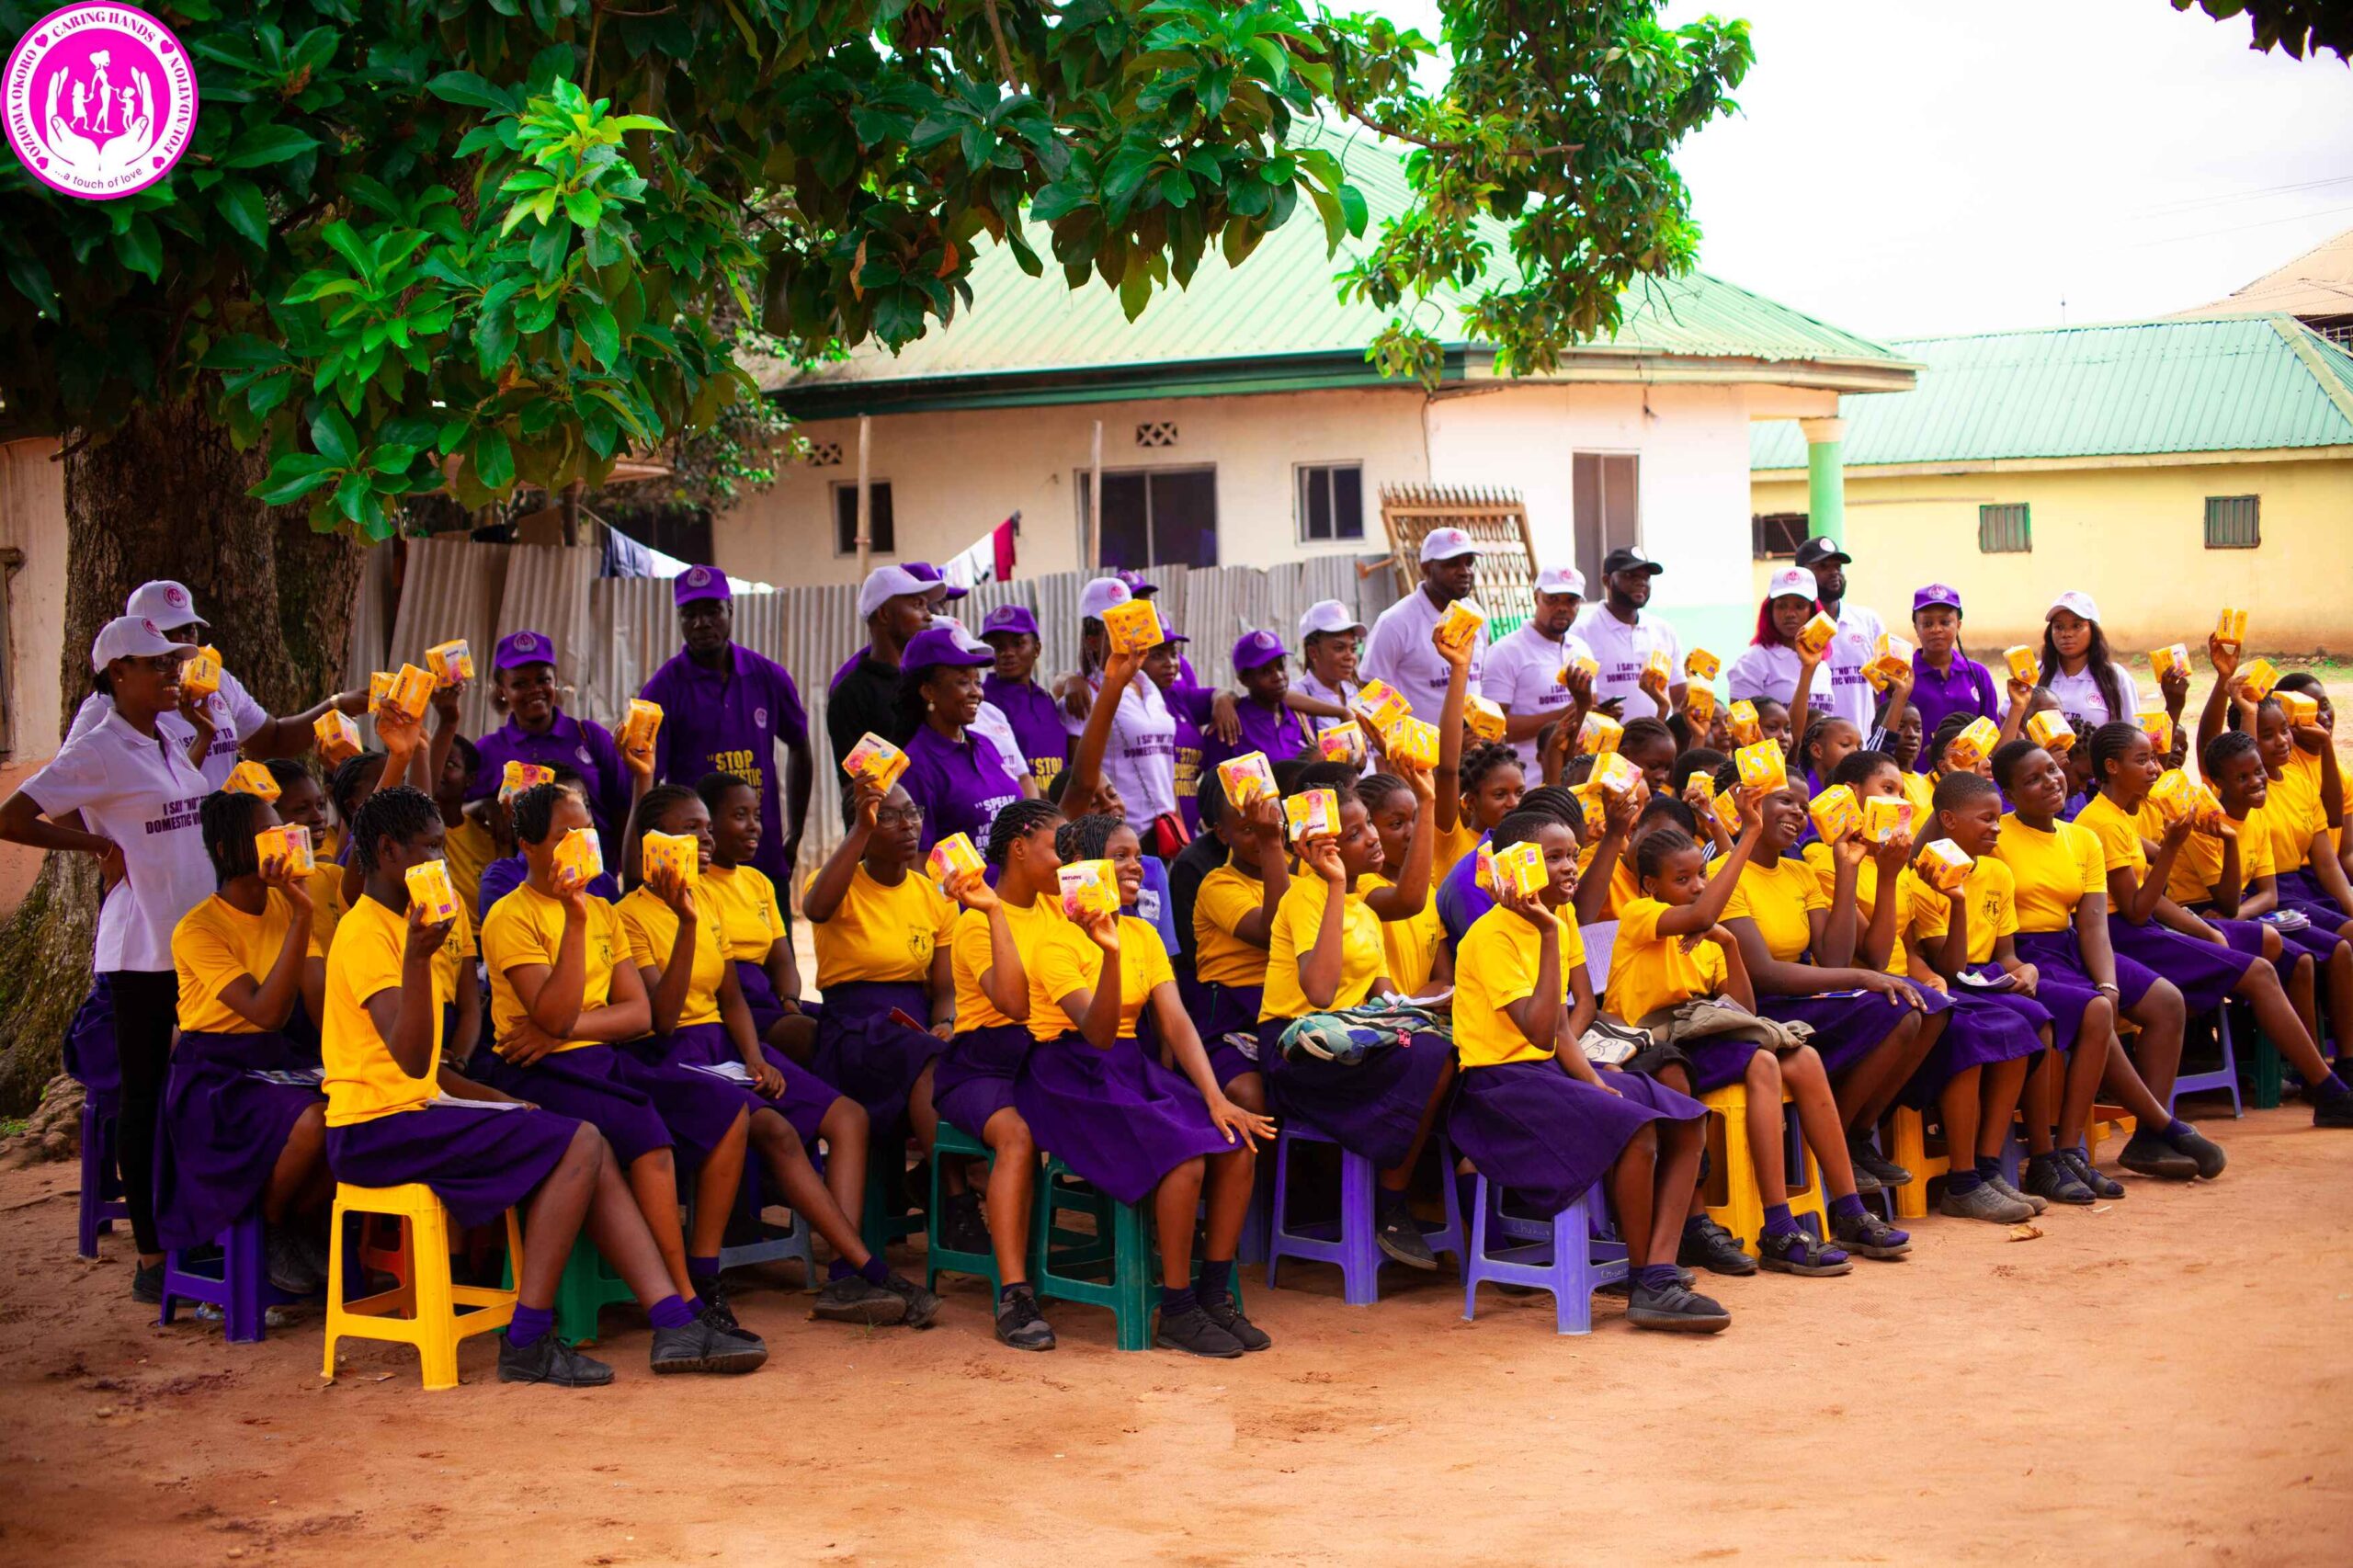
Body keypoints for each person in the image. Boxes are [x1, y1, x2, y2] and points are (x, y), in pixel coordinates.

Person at [319, 785, 762, 1385]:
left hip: (413, 1108)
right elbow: (410, 1058)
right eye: (429, 849)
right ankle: (527, 1338)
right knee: (581, 1141)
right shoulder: (369, 932)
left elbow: (426, 1071)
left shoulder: (408, 925)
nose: (441, 864)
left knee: (585, 1143)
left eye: (443, 849)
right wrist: (419, 961)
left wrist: (501, 1102)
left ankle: (674, 1320)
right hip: (373, 1129)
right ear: (388, 850)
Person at [616, 784, 939, 1327]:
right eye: (691, 829)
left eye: (706, 828)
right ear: (652, 844)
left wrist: (756, 1058)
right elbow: (663, 1019)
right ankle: (838, 1272)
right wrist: (686, 923)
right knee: (773, 1130)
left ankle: (847, 1274)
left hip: (724, 1042)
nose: (705, 839)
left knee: (847, 1116)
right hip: (672, 1052)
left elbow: (732, 999)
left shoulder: (706, 900)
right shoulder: (630, 915)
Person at [477, 782, 758, 1336]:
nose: (580, 845)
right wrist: (574, 925)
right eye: (564, 836)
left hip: (598, 1057)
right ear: (528, 846)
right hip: (540, 1070)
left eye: (585, 832)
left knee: (724, 1106)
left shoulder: (603, 910)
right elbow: (552, 1012)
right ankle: (682, 1300)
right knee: (645, 1130)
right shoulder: (513, 915)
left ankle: (703, 1276)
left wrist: (563, 1029)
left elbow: (638, 1015)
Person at [0, 617, 215, 1301]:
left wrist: (203, 732)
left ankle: (195, 1231)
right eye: (157, 664)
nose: (172, 673)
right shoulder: (98, 747)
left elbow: (180, 812)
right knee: (144, 1097)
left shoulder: (166, 736)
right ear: (118, 673)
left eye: (173, 662)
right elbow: (12, 817)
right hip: (142, 949)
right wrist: (97, 847)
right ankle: (152, 1259)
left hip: (193, 943)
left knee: (195, 1087)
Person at [1449, 811, 1726, 1331]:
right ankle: (1646, 1281)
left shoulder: (1560, 919)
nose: (1569, 866)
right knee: (1637, 1128)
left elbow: (1560, 1028)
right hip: (1500, 1087)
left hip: (1550, 1070)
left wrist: (1597, 1083)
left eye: (1572, 855)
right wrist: (1547, 933)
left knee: (1688, 1117)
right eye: (1553, 857)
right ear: (1514, 866)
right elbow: (1536, 1033)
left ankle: (1659, 1269)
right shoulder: (1493, 937)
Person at [1019, 813, 1276, 1358]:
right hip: (1069, 1074)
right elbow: (1095, 1033)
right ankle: (1177, 1311)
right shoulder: (1055, 942)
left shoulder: (1143, 933)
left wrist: (1216, 1098)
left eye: (1137, 855)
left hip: (1128, 1066)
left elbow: (1177, 1022)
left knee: (1236, 1142)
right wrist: (1109, 952)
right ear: (1084, 868)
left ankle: (1214, 1296)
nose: (1136, 866)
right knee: (1183, 1159)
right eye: (1120, 856)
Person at [1607, 801, 1877, 1274]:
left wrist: (1728, 943)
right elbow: (1699, 916)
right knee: (1763, 1060)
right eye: (1683, 879)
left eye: (1701, 876)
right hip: (1651, 1045)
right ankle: (1778, 1225)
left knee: (1805, 1058)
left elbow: (1743, 1010)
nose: (1697, 887)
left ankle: (1850, 1209)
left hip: (1697, 1034)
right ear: (1651, 886)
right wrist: (1748, 833)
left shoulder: (1708, 936)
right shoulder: (1640, 914)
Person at [2074, 721, 2352, 1127]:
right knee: (2258, 973)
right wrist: (2173, 847)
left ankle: (2317, 1082)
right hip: (2125, 936)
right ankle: (2329, 1091)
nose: (2155, 768)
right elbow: (2137, 909)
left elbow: (2157, 886)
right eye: (2143, 760)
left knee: (2262, 948)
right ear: (2112, 767)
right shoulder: (2102, 823)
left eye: (2153, 759)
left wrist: (2205, 929)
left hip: (2146, 926)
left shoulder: (2119, 816)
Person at [1987, 739, 2226, 1182]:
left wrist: (2109, 982)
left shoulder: (2081, 839)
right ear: (2009, 793)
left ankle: (2150, 1137)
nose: (2051, 782)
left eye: (2052, 770)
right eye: (2032, 780)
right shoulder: (1996, 835)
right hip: (2023, 952)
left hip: (2071, 944)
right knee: (2094, 1011)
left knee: (2166, 1001)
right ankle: (2107, 1140)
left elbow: (2094, 923)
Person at [1717, 774, 1938, 1223]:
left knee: (1919, 1008)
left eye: (1804, 806)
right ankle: (1842, 1142)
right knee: (1892, 1006)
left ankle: (1854, 1135)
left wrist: (1848, 868)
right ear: (1750, 804)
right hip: (1755, 1006)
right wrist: (1864, 976)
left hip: (1803, 996)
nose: (1798, 813)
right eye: (1785, 801)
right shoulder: (1725, 873)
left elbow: (1832, 955)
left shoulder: (1799, 872)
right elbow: (1763, 973)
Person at [1256, 783, 1458, 1269]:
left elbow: (1384, 997)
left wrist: (1430, 1005)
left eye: (1368, 823)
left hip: (1354, 1038)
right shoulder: (1304, 898)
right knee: (1428, 1055)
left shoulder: (1365, 912)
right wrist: (1334, 885)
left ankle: (1395, 1196)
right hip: (1298, 1047)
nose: (1372, 837)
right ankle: (1391, 1202)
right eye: (1353, 834)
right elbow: (1321, 993)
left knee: (1446, 1046)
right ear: (1320, 849)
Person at [158, 790, 330, 1293]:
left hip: (277, 1059)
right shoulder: (198, 929)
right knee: (314, 1120)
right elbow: (266, 1012)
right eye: (267, 834)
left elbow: (319, 1002)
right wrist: (301, 916)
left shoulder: (286, 904)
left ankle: (299, 1218)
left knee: (353, 1111)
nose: (283, 842)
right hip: (215, 1075)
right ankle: (269, 1224)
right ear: (228, 849)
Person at [800, 769, 960, 1201]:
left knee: (962, 1055)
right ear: (862, 825)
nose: (908, 825)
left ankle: (933, 1177)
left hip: (914, 1025)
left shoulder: (935, 896)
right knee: (927, 1058)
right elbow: (816, 910)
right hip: (854, 1030)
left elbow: (944, 988)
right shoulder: (834, 882)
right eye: (888, 817)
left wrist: (946, 1022)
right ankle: (955, 1200)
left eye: (912, 813)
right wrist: (860, 829)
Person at [936, 798, 1060, 1349]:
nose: (1065, 863)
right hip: (982, 1063)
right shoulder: (974, 923)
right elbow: (1013, 1003)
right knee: (1017, 1135)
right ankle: (1014, 1293)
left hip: (1047, 1054)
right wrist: (992, 912)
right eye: (1056, 849)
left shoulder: (1060, 907)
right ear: (1019, 848)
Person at [65, 581, 369, 786]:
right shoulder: (108, 705)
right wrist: (105, 847)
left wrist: (338, 705)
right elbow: (61, 788)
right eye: (167, 632)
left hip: (221, 849)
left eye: (189, 630)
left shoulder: (217, 681)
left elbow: (273, 739)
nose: (182, 641)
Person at [2177, 731, 2353, 1062]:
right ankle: (2312, 1067)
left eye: (2258, 771)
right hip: (2200, 913)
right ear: (2219, 782)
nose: (2257, 781)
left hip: (2242, 908)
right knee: (2302, 961)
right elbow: (2226, 901)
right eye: (2242, 777)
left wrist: (2238, 914)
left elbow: (2268, 895)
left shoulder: (2257, 815)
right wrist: (2230, 844)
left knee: (2339, 948)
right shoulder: (2207, 824)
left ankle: (2343, 1060)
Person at [640, 564, 814, 897]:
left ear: (730, 609)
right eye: (690, 614)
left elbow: (799, 745)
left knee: (773, 932)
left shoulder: (768, 676)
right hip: (698, 865)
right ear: (679, 618)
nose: (701, 623)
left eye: (712, 611)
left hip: (762, 857)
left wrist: (795, 832)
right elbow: (648, 780)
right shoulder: (662, 690)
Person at [468, 631, 632, 853]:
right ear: (501, 691)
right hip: (523, 873)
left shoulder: (590, 736)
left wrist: (621, 868)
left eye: (543, 679)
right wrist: (482, 806)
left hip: (597, 870)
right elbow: (453, 813)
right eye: (520, 684)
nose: (534, 690)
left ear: (555, 680)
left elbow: (624, 806)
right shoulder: (488, 750)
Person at [1188, 774, 1290, 1111]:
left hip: (1288, 1006)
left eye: (1271, 821)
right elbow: (1273, 934)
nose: (1263, 833)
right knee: (1250, 1094)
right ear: (1222, 834)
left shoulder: (1300, 873)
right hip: (1232, 1014)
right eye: (1249, 829)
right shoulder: (1218, 885)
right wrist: (1272, 843)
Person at [696, 772, 812, 1052]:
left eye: (756, 816)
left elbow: (782, 960)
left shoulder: (758, 882)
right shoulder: (694, 885)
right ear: (709, 824)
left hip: (768, 996)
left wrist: (789, 1001)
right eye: (740, 816)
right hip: (728, 1003)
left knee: (844, 1028)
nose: (754, 827)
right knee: (814, 1037)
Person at [897, 624, 1026, 856]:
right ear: (928, 692)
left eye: (977, 682)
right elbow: (918, 860)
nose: (977, 692)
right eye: (963, 682)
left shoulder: (985, 745)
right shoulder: (915, 766)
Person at [1362, 525, 1490, 722]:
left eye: (1469, 563)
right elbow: (1371, 689)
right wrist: (1406, 736)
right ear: (1426, 568)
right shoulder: (1395, 622)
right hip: (1420, 741)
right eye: (1452, 564)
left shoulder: (1477, 616)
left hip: (1472, 740)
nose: (1465, 572)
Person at [1481, 565, 1596, 773]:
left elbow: (1591, 707)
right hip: (1527, 777)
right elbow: (1491, 729)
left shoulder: (1581, 648)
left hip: (1575, 778)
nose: (1562, 608)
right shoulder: (1505, 651)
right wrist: (1566, 713)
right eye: (1552, 599)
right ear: (1536, 598)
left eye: (1571, 601)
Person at [827, 564, 939, 773]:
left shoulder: (929, 679)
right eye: (918, 605)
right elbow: (862, 782)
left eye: (927, 605)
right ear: (884, 615)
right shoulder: (853, 694)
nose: (929, 616)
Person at [1351, 768, 1448, 996]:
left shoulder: (1428, 892)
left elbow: (1444, 978)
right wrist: (1427, 803)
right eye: (1396, 824)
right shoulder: (1359, 887)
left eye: (1416, 819)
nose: (1412, 832)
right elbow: (1407, 902)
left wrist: (1412, 1008)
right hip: (1382, 1016)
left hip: (1413, 1014)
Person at [1571, 546, 1680, 717]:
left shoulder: (1664, 631)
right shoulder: (1580, 633)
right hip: (1606, 734)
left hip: (1659, 733)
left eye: (1646, 577)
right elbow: (1574, 700)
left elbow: (1678, 694)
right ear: (1607, 581)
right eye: (1630, 576)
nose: (1641, 582)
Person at [1793, 536, 1885, 733]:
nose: (1834, 572)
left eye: (1838, 566)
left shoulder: (1868, 621)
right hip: (1811, 745)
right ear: (1802, 574)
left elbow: (1882, 690)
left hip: (1861, 744)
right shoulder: (1794, 629)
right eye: (1823, 566)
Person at [978, 604, 1071, 790]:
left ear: (1037, 649)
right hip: (1024, 805)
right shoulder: (984, 703)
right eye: (998, 646)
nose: (1007, 653)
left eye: (1018, 643)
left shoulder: (1045, 699)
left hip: (1064, 804)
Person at [1199, 631, 1313, 781]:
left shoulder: (1299, 718)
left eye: (1281, 667)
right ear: (1244, 679)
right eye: (1266, 672)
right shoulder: (1229, 726)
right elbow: (1214, 788)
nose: (1278, 677)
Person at [1727, 566, 1835, 723]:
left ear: (1812, 612)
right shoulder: (1753, 660)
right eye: (1782, 606)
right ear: (1770, 611)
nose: (1790, 614)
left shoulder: (1820, 662)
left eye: (1800, 606)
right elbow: (1740, 726)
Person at [1904, 584, 2005, 751]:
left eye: (1945, 622)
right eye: (1927, 623)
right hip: (1918, 768)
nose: (1936, 629)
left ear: (1958, 625)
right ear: (1916, 628)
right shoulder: (1904, 675)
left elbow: (1991, 733)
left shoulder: (1978, 674)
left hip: (1971, 767)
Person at [2038, 591, 2141, 730]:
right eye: (2059, 627)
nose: (2066, 634)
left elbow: (2133, 732)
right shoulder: (2036, 673)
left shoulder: (2115, 676)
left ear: (2093, 630)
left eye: (2076, 626)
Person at [1290, 599, 1368, 732]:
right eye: (1339, 648)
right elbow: (1279, 697)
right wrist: (1340, 713)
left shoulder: (1356, 694)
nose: (1350, 656)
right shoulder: (1299, 693)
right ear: (1313, 652)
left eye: (1353, 649)